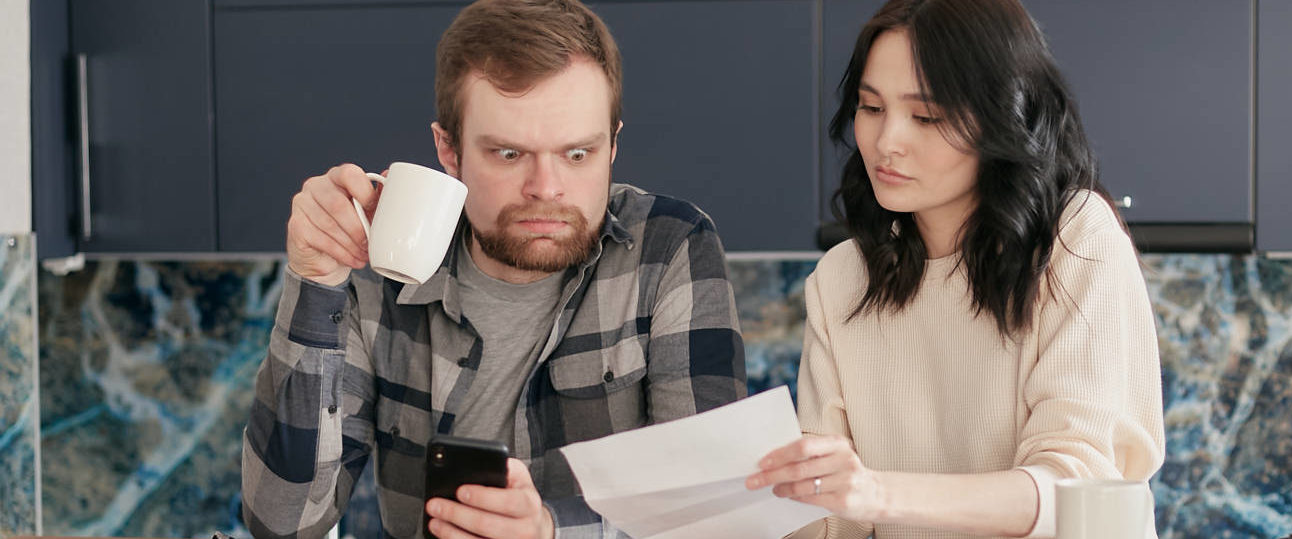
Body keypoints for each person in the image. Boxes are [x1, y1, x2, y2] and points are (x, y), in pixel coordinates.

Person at [240, 1, 747, 538]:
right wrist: (316, 283)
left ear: (613, 144)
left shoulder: (668, 248)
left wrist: (551, 532)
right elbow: (283, 524)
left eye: (577, 154)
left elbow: (714, 514)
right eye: (508, 154)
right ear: (448, 149)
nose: (546, 188)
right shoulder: (377, 264)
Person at [746, 0, 1166, 537]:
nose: (886, 142)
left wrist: (876, 492)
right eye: (871, 107)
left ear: (1002, 118)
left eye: (926, 116)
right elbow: (833, 522)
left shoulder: (1076, 239)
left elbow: (1073, 486)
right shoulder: (841, 279)